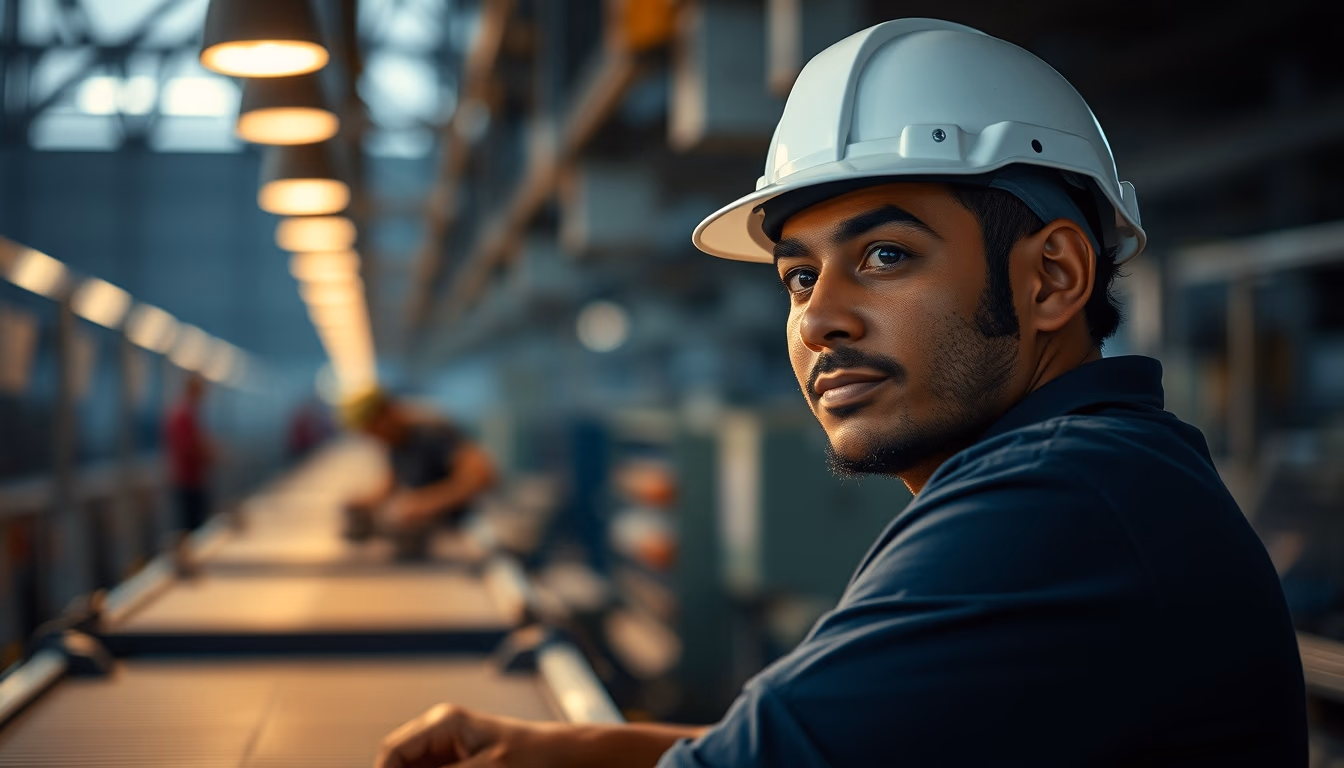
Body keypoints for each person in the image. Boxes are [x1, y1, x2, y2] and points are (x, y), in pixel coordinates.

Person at [376, 19, 1306, 767]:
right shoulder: (1104, 476)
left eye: (886, 255)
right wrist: (572, 751)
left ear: (1052, 279)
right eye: (798, 277)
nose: (820, 319)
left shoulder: (1057, 501)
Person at [340, 388, 497, 558]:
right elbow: (391, 484)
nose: (375, 437)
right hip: (437, 538)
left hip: (469, 531)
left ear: (388, 412)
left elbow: (481, 477)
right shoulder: (396, 444)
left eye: (374, 429)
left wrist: (427, 503)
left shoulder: (433, 433)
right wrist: (366, 503)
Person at [165, 373, 213, 531]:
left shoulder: (187, 413)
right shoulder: (183, 414)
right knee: (193, 526)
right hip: (188, 480)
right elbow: (187, 449)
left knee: (195, 524)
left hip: (192, 479)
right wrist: (209, 453)